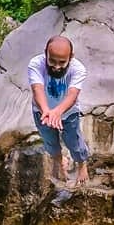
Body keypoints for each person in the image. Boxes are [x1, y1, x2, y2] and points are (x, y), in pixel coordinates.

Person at [27, 35, 90, 185]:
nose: (56, 66)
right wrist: (47, 110)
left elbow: (73, 94)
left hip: (68, 113)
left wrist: (57, 111)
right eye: (52, 61)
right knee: (50, 141)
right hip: (42, 112)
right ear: (46, 53)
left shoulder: (78, 68)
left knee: (74, 141)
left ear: (71, 57)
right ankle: (59, 160)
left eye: (62, 62)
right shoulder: (36, 64)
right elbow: (37, 89)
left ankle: (82, 165)